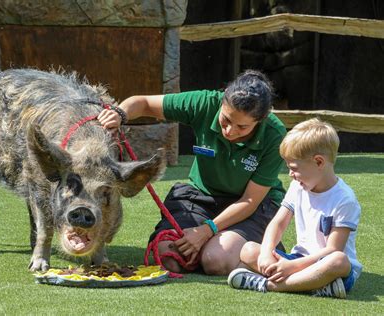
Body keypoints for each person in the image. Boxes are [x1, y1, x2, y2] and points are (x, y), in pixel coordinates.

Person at [98, 70, 286, 275]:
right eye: (226, 120)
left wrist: (206, 231)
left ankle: (253, 255)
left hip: (251, 208)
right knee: (167, 256)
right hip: (201, 198)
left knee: (215, 260)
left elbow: (250, 201)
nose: (229, 131)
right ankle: (221, 248)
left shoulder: (274, 135)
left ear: (262, 119)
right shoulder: (204, 103)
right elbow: (142, 102)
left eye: (242, 127)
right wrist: (120, 114)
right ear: (222, 101)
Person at [228, 118, 362, 298]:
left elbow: (333, 250)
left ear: (319, 162)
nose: (290, 174)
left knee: (339, 261)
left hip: (328, 266)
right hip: (298, 261)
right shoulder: (298, 187)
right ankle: (312, 286)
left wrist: (291, 267)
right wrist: (267, 253)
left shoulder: (345, 200)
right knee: (248, 249)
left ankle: (269, 285)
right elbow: (278, 223)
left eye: (294, 168)